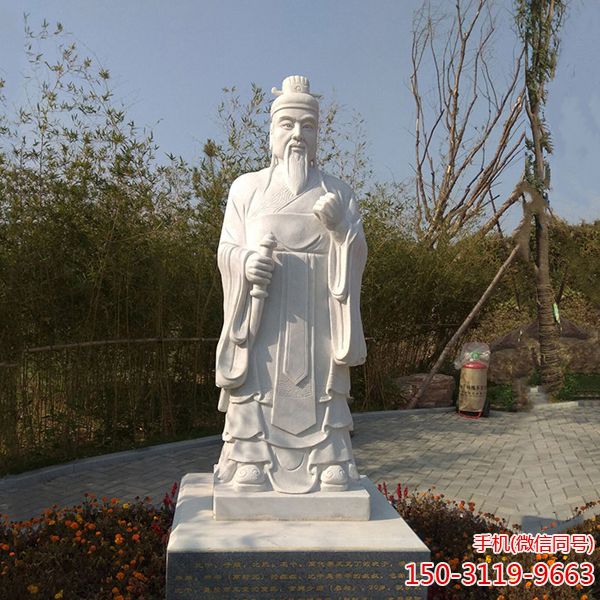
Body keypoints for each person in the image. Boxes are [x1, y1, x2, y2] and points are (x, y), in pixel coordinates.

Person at [214, 75, 367, 494]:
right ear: (272, 132)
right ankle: (250, 458)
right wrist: (246, 263)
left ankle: (329, 459)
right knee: (256, 382)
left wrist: (341, 230)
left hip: (319, 317)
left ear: (318, 135)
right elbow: (227, 248)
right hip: (264, 315)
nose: (298, 134)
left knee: (323, 385)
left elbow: (357, 253)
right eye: (288, 124)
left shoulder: (338, 192)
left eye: (308, 126)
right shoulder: (247, 188)